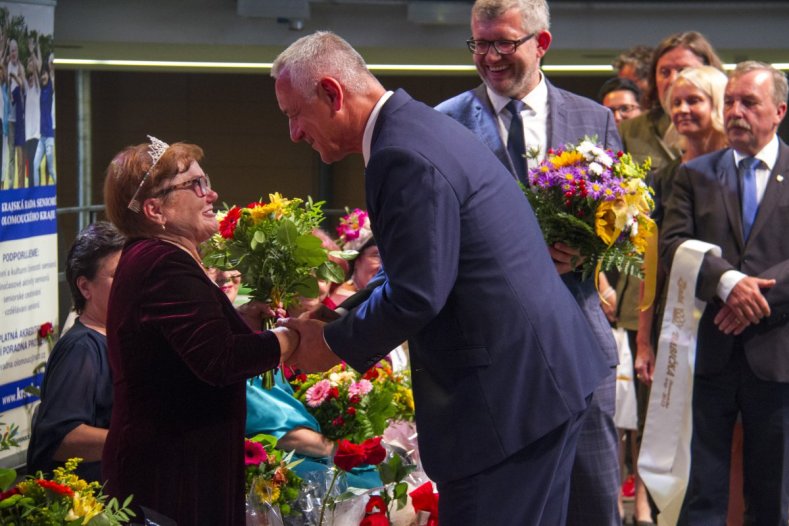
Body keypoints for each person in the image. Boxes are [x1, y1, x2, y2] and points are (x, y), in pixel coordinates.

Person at [272, 31, 610, 525]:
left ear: (331, 93)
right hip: (533, 385)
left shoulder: (400, 151)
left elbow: (416, 295)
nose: (294, 134)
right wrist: (334, 314)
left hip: (505, 403)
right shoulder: (416, 128)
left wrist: (330, 345)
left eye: (293, 114)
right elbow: (417, 270)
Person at [435, 1, 621, 523]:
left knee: (594, 502)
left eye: (504, 43)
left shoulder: (595, 118)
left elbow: (628, 219)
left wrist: (591, 247)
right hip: (493, 357)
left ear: (541, 43)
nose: (490, 57)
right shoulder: (444, 124)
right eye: (479, 43)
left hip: (581, 339)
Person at [101, 136, 299, 525]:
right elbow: (219, 360)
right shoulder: (162, 262)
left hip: (180, 464)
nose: (212, 194)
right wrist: (293, 338)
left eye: (205, 180)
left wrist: (239, 322)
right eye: (195, 185)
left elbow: (186, 350)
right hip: (170, 474)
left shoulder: (159, 258)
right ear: (155, 209)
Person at [660, 61, 789, 525]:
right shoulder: (696, 175)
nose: (735, 111)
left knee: (773, 495)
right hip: (709, 356)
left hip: (778, 355)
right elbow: (672, 245)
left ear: (779, 111)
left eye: (748, 103)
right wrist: (728, 283)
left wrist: (757, 301)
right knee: (703, 492)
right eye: (729, 101)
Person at [27, 222, 125, 483]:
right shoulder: (81, 348)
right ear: (85, 287)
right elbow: (61, 439)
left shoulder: (119, 336)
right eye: (118, 274)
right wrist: (139, 442)